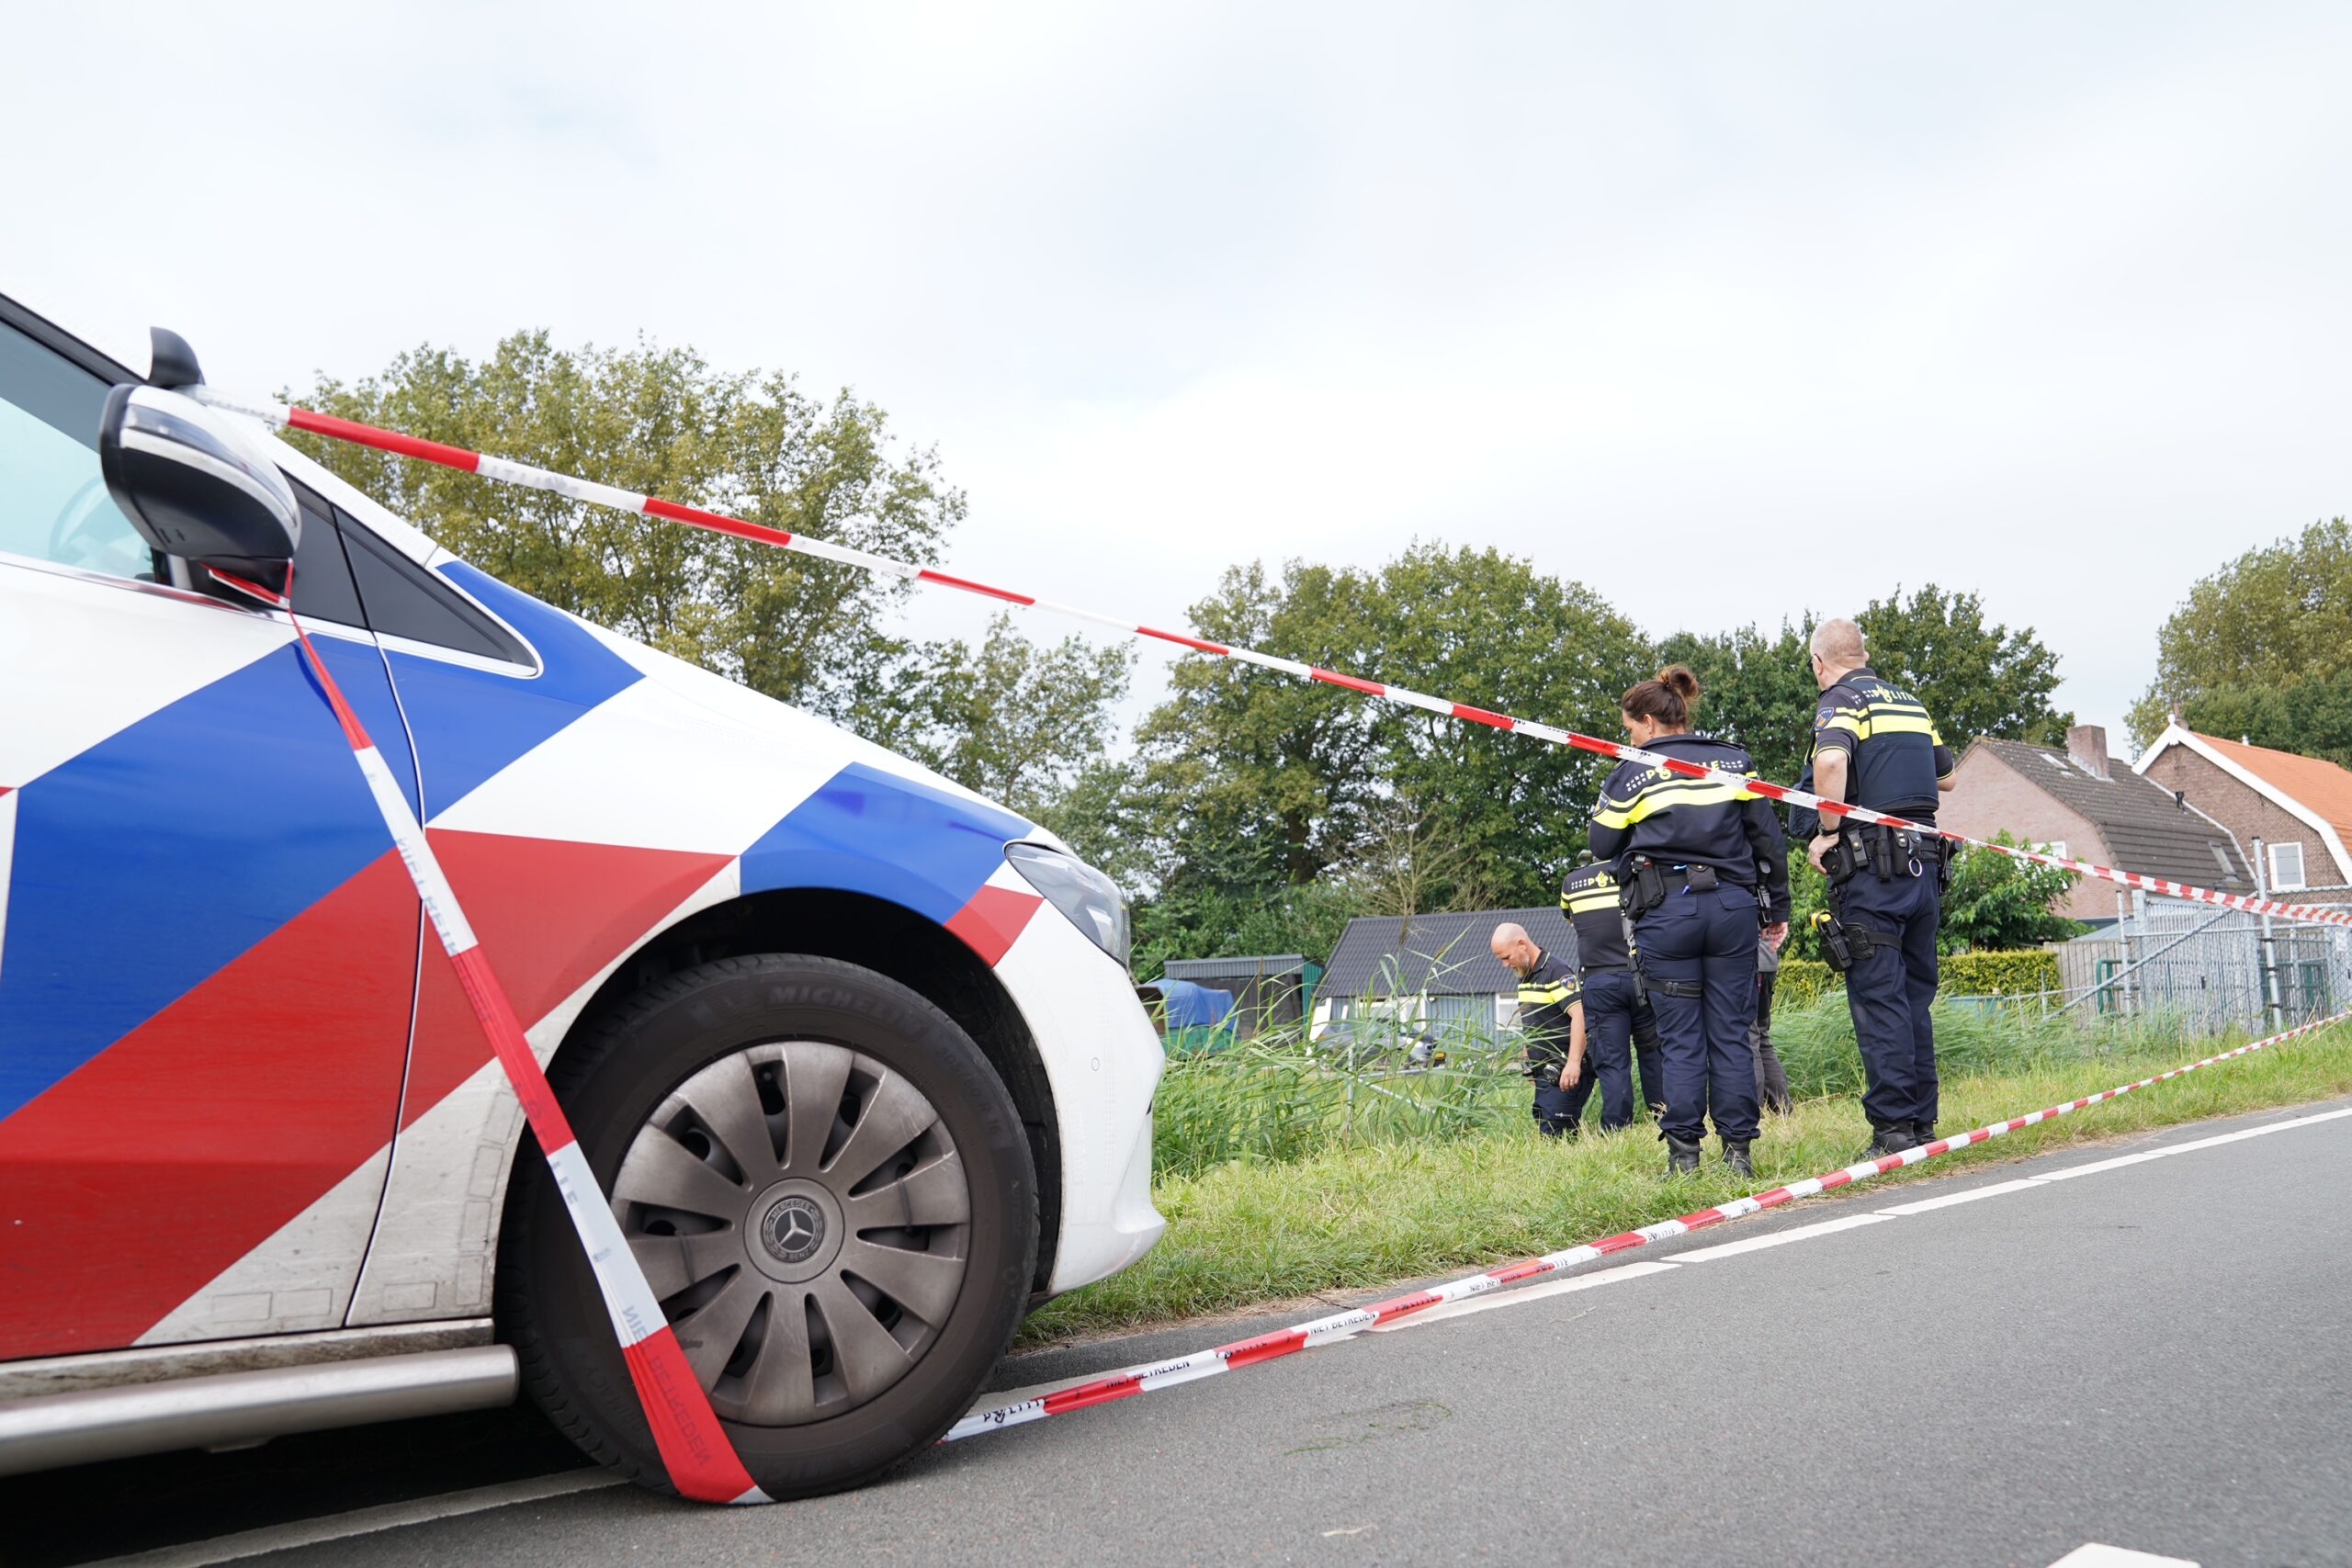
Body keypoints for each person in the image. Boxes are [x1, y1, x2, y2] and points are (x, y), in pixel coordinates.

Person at [1590, 666, 1789, 1177]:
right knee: (1730, 1032)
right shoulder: (1735, 762)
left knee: (1679, 1039)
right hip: (1732, 911)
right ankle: (1739, 1155)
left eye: (1630, 728)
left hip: (1667, 911)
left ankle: (1684, 1159)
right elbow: (1768, 840)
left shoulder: (1631, 771)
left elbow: (1602, 845)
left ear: (1651, 723)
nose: (1628, 738)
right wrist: (1779, 910)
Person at [1797, 618, 1959, 1157]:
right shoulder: (1910, 702)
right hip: (1926, 867)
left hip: (1873, 871)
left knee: (1878, 999)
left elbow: (1830, 761)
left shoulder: (1840, 700)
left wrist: (1827, 833)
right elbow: (1947, 776)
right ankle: (1922, 1124)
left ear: (1821, 663)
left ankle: (1892, 1131)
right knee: (1915, 1000)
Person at [1558, 855, 1667, 1127]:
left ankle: (1618, 1128)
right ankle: (1666, 1121)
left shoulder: (1572, 882)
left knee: (1612, 1061)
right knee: (1654, 1054)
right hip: (1642, 977)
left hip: (1600, 982)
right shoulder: (1640, 870)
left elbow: (1571, 920)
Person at [1489, 921, 1589, 1138]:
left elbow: (1580, 1015)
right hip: (1543, 1070)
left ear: (1521, 944)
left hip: (1564, 1068)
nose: (1505, 965)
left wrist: (1573, 1063)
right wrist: (1529, 1060)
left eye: (1506, 957)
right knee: (1549, 1126)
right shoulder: (1524, 975)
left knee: (1555, 1132)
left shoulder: (1556, 972)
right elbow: (1533, 1021)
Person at [1750, 928, 1792, 1114]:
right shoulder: (1771, 896)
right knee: (1761, 1037)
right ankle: (1783, 1109)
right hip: (1768, 959)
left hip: (1749, 963)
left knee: (1748, 1038)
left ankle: (1752, 1111)